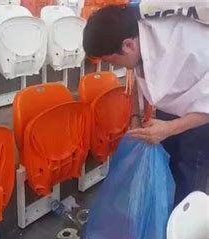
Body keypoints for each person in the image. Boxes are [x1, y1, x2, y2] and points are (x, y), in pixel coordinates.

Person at [83, 5, 209, 206]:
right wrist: (135, 115)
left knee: (189, 179)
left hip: (201, 120)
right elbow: (138, 72)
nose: (117, 67)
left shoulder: (190, 48)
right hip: (173, 106)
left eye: (113, 62)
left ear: (128, 45)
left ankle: (182, 232)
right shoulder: (138, 34)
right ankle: (160, 223)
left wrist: (170, 128)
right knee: (167, 168)